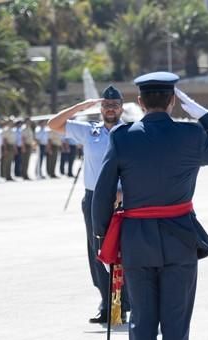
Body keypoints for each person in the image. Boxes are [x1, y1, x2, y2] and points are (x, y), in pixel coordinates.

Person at [92, 72, 208, 340]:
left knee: (143, 323)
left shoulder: (124, 138)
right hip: (180, 241)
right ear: (172, 100)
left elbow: (103, 192)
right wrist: (204, 114)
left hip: (137, 242)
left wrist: (103, 236)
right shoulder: (190, 134)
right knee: (175, 326)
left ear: (140, 102)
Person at [48, 85, 129, 323]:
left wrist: (123, 192)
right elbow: (53, 124)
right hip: (94, 198)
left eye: (114, 105)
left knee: (124, 250)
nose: (110, 109)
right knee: (98, 251)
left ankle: (123, 302)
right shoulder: (89, 131)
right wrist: (82, 106)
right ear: (101, 108)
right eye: (106, 105)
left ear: (121, 108)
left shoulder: (130, 131)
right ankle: (106, 302)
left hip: (123, 197)